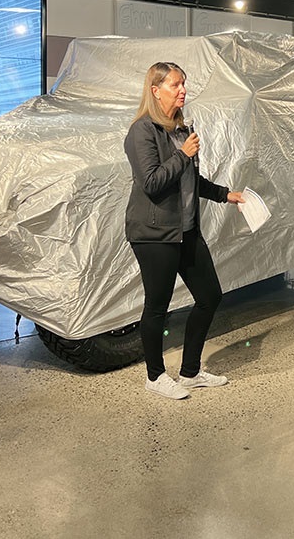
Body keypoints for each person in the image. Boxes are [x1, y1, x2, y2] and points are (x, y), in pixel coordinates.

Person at [124, 61, 245, 399]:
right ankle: (155, 376)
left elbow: (192, 182)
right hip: (153, 233)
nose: (183, 90)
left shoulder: (181, 130)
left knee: (210, 297)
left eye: (184, 84)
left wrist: (226, 195)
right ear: (155, 90)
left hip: (186, 229)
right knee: (157, 306)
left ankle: (190, 372)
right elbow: (151, 182)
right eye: (176, 85)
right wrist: (182, 155)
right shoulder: (142, 131)